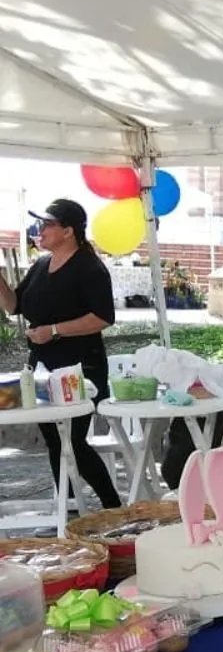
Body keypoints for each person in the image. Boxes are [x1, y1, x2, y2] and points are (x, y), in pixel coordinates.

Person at [0, 199, 121, 510]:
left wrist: (54, 330)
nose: (40, 230)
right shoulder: (41, 265)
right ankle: (66, 510)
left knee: (72, 442)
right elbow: (14, 306)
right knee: (55, 441)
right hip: (42, 367)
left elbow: (102, 317)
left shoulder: (89, 267)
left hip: (80, 369)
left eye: (47, 224)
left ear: (68, 231)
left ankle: (113, 507)